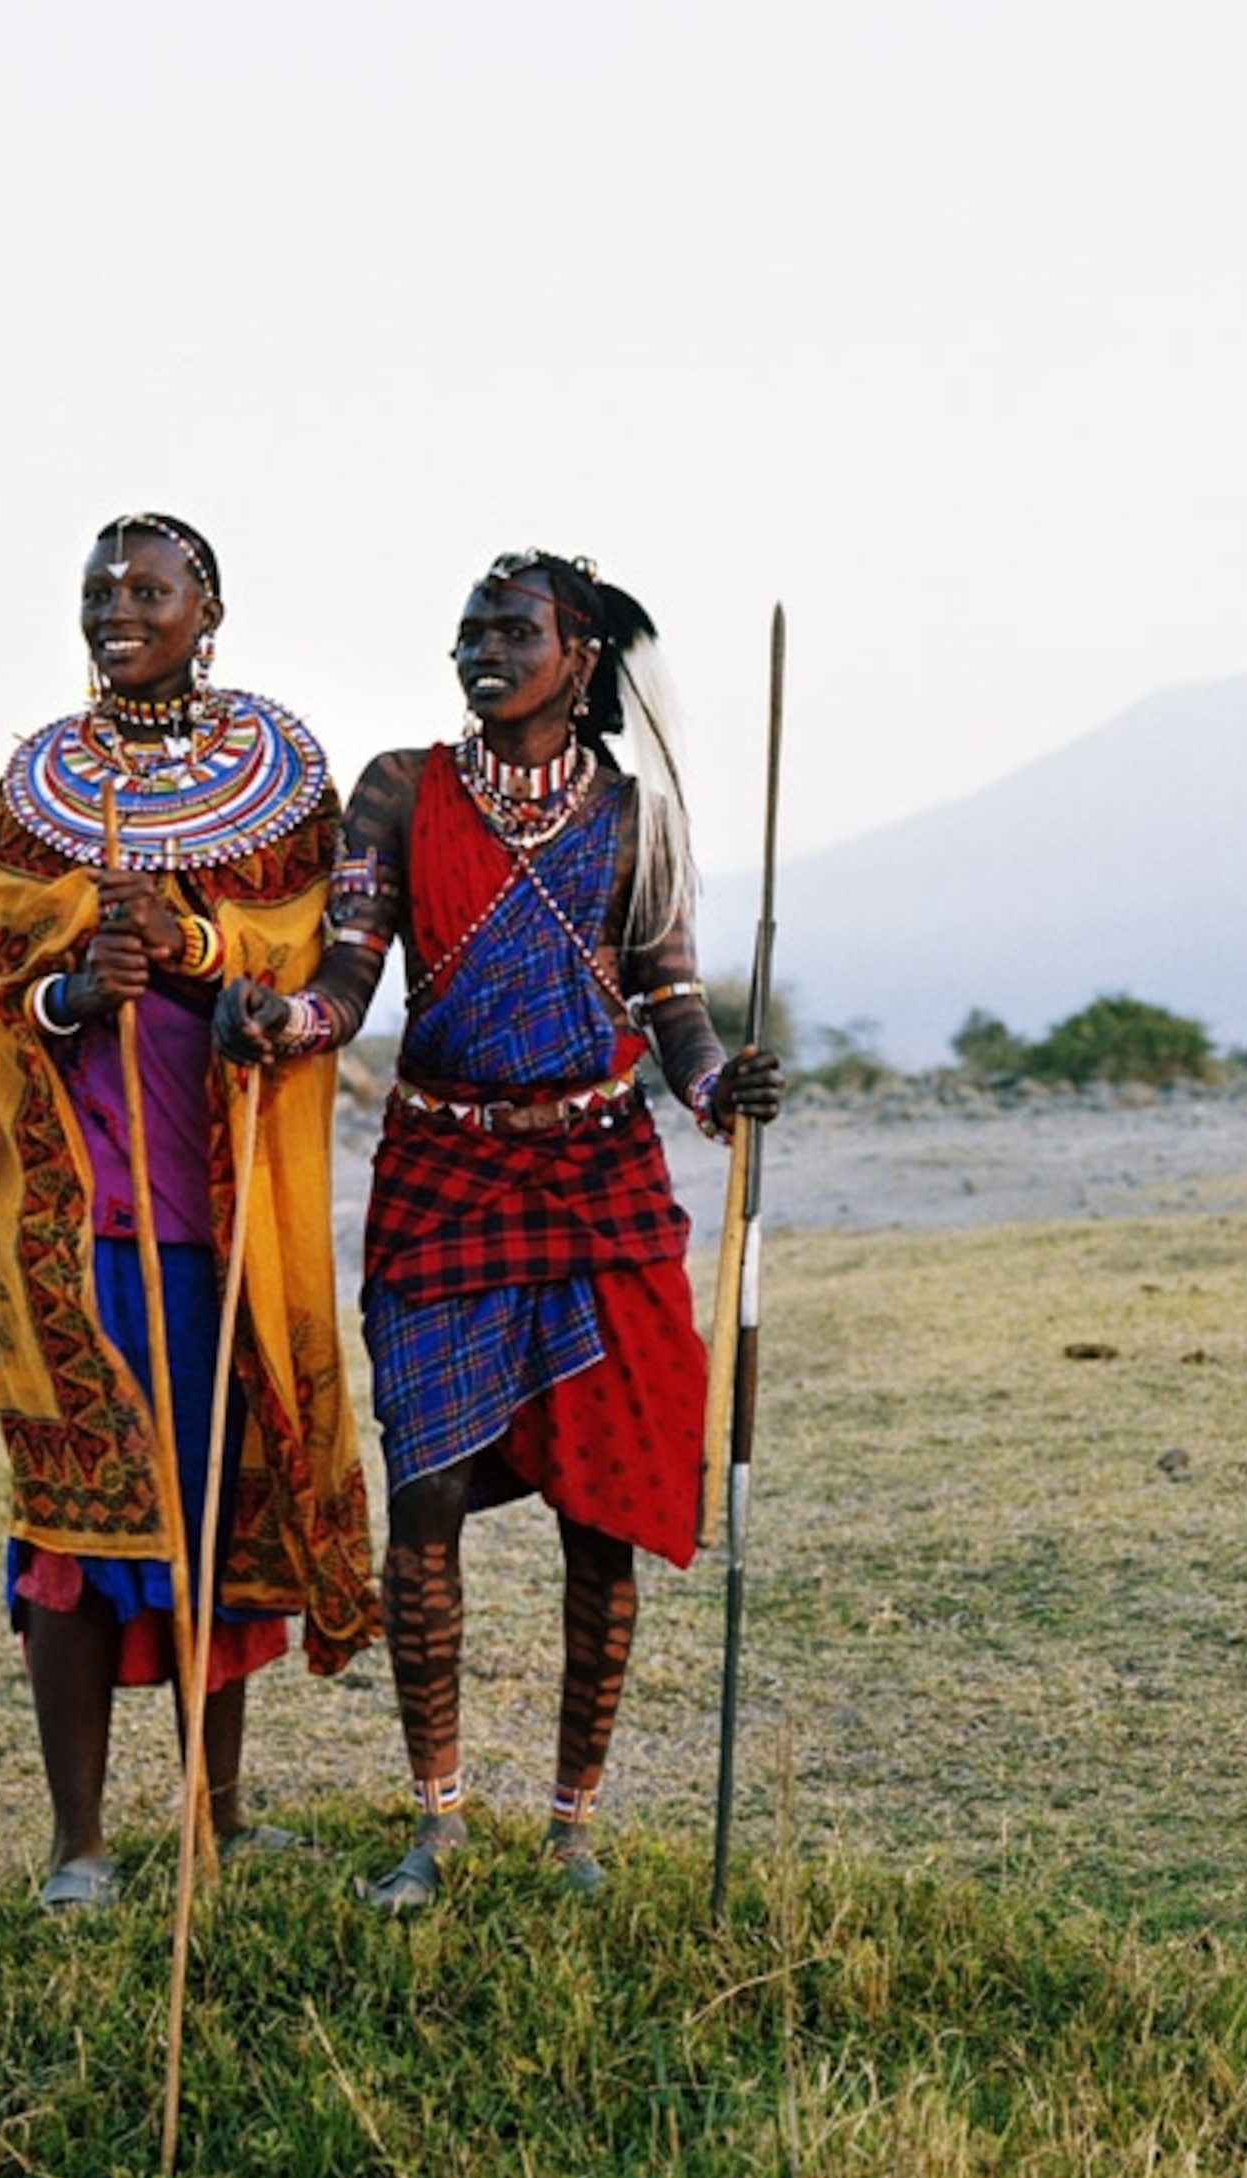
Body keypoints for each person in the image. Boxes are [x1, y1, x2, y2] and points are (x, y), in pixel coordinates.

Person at [218, 549, 781, 1914]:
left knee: (609, 1507)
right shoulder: (400, 794)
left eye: (511, 629)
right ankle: (438, 1818)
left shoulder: (639, 815)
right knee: (426, 1501)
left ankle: (574, 1823)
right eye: (468, 630)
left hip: (600, 1181)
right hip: (444, 1175)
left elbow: (672, 999)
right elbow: (350, 978)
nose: (479, 649)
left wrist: (718, 1087)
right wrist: (277, 1021)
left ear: (578, 655)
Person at [0, 513, 378, 1913]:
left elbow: (312, 961)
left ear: (210, 609)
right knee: (74, 1528)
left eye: (149, 588)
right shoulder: (34, 797)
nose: (117, 608)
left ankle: (220, 1815)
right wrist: (77, 989)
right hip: (79, 1236)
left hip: (227, 1219)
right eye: (98, 589)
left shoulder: (283, 781)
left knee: (217, 1516)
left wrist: (194, 948)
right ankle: (80, 1842)